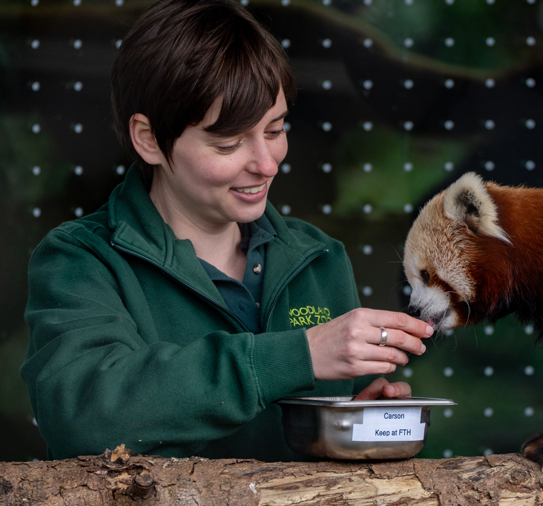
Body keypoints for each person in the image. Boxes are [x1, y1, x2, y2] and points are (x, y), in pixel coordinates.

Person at [19, 0, 432, 462]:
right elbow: (85, 418)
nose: (266, 163)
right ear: (149, 139)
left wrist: (353, 424)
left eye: (275, 130)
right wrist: (298, 356)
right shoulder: (81, 261)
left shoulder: (321, 259)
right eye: (229, 143)